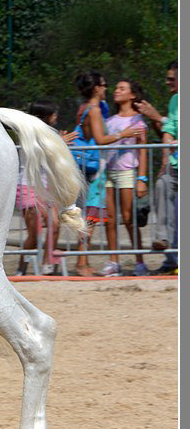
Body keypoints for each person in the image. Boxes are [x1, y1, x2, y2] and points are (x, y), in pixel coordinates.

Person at [70, 72, 144, 277]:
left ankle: (83, 261)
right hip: (95, 168)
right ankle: (81, 262)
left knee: (91, 214)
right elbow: (100, 139)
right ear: (96, 89)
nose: (107, 89)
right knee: (92, 216)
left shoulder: (88, 108)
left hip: (90, 166)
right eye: (104, 85)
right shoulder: (93, 110)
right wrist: (124, 134)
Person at [15, 101, 76, 275]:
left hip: (45, 186)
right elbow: (38, 152)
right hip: (27, 185)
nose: (56, 117)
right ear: (45, 116)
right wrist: (59, 142)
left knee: (55, 225)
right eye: (54, 114)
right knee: (35, 233)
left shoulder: (51, 133)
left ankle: (47, 264)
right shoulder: (28, 131)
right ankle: (22, 266)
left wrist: (60, 143)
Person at [99, 79, 149, 276]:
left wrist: (142, 178)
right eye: (116, 87)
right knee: (110, 219)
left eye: (122, 88)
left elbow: (143, 151)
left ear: (132, 95)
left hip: (127, 172)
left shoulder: (137, 120)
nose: (116, 91)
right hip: (109, 172)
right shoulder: (110, 120)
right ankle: (114, 261)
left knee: (129, 218)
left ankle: (139, 262)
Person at [132, 60, 178, 273]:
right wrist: (165, 161)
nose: (167, 82)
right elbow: (169, 130)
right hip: (177, 165)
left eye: (172, 78)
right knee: (162, 184)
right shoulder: (175, 100)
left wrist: (155, 116)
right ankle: (166, 245)